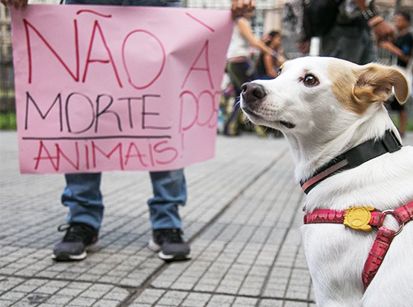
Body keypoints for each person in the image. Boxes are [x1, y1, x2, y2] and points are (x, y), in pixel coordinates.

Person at [2, 0, 256, 262]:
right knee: (80, 117)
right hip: (89, 7)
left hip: (157, 6)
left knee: (164, 115)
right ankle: (84, 220)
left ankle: (163, 221)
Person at [224, 12, 274, 136]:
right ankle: (234, 127)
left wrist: (261, 42)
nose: (253, 9)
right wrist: (273, 53)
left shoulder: (239, 21)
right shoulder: (241, 20)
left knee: (239, 95)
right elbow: (253, 42)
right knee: (245, 94)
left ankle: (231, 127)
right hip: (239, 62)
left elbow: (251, 41)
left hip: (236, 62)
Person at [300, 0, 394, 65]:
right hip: (343, 30)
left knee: (368, 78)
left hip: (357, 27)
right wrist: (374, 19)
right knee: (338, 79)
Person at [379, 11, 412, 138]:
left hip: (402, 73)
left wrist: (390, 48)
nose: (396, 22)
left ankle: (402, 130)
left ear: (406, 21)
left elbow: (406, 58)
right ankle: (388, 127)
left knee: (400, 102)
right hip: (391, 71)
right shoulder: (396, 36)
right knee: (386, 101)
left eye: (399, 19)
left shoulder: (408, 37)